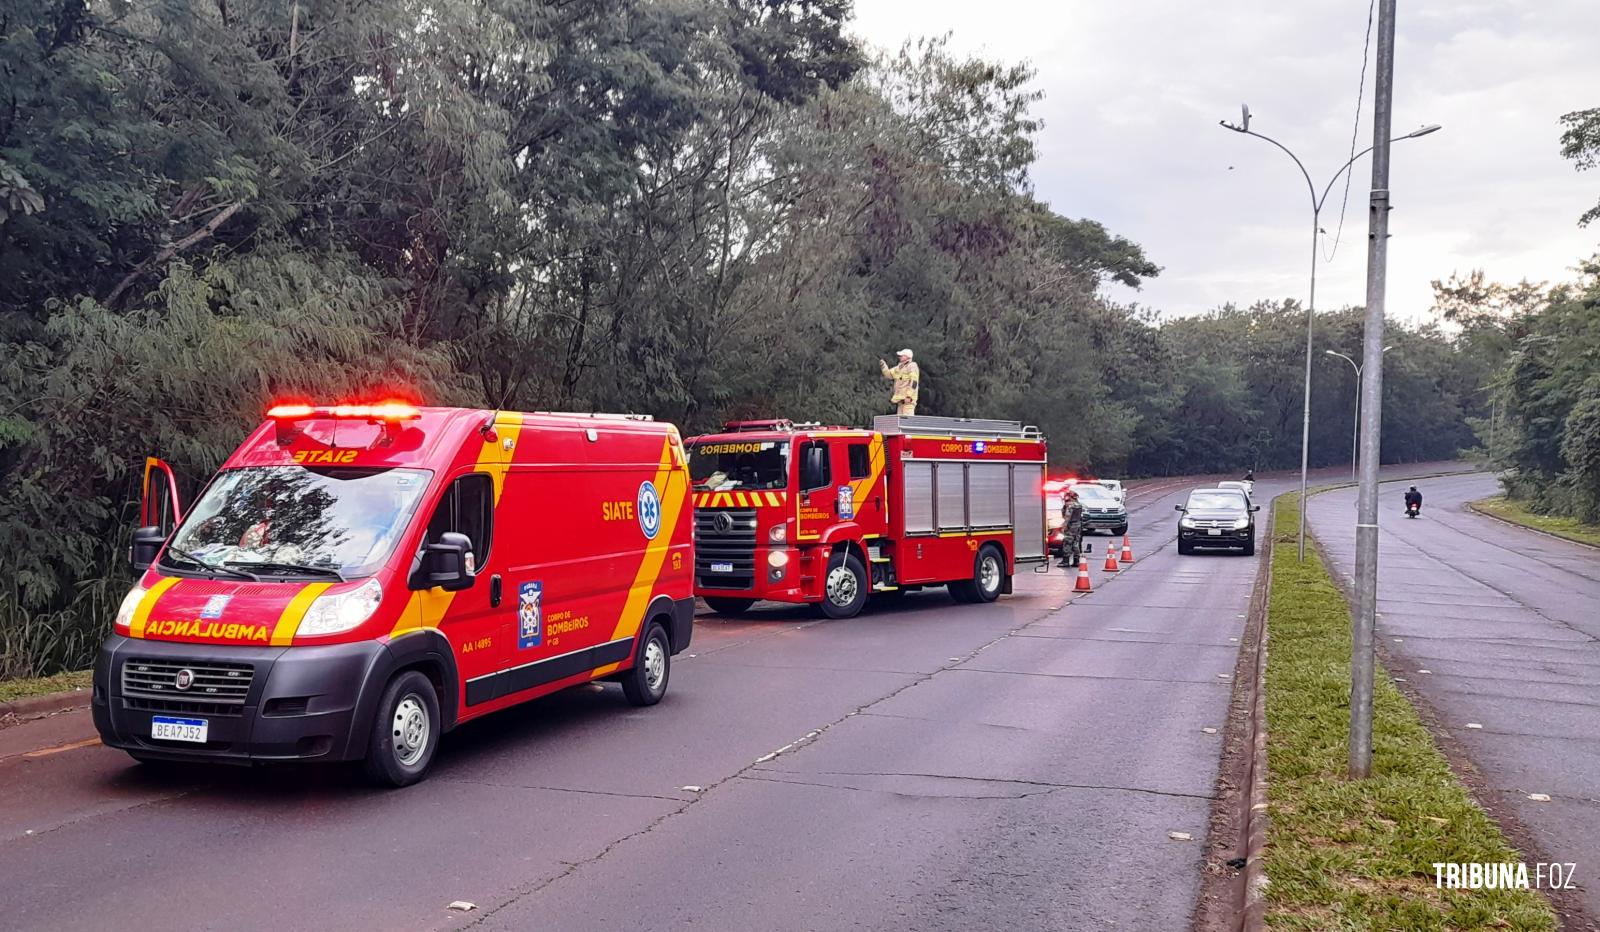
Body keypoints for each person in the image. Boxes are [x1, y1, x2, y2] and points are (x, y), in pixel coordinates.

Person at [879, 349, 920, 416]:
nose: (899, 357)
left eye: (902, 355)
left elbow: (914, 382)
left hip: (908, 401)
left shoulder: (912, 366)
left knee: (907, 422)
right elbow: (889, 374)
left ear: (907, 357)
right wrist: (883, 366)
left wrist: (909, 396)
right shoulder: (899, 367)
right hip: (900, 401)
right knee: (900, 423)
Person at [1059, 489, 1085, 567]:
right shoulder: (1079, 505)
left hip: (1071, 526)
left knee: (1067, 541)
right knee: (1076, 543)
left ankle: (1065, 561)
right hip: (1078, 525)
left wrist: (1064, 526)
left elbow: (1067, 517)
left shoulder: (1070, 506)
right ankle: (1076, 561)